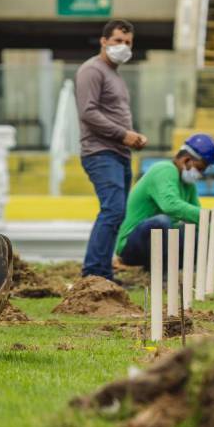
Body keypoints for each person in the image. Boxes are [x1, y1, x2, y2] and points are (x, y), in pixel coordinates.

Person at [76, 18, 147, 282]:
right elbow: (88, 112)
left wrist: (131, 137)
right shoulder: (92, 70)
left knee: (117, 212)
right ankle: (94, 273)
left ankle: (102, 271)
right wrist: (124, 134)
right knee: (112, 210)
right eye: (118, 41)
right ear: (104, 41)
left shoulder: (114, 74)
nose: (123, 46)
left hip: (118, 152)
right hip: (100, 151)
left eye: (128, 42)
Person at [116, 134, 214, 270]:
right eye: (200, 168)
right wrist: (212, 216)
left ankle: (168, 269)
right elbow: (170, 205)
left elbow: (199, 221)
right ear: (186, 160)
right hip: (131, 245)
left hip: (159, 243)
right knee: (161, 222)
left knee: (199, 237)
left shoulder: (188, 185)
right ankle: (163, 276)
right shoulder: (164, 170)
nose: (201, 174)